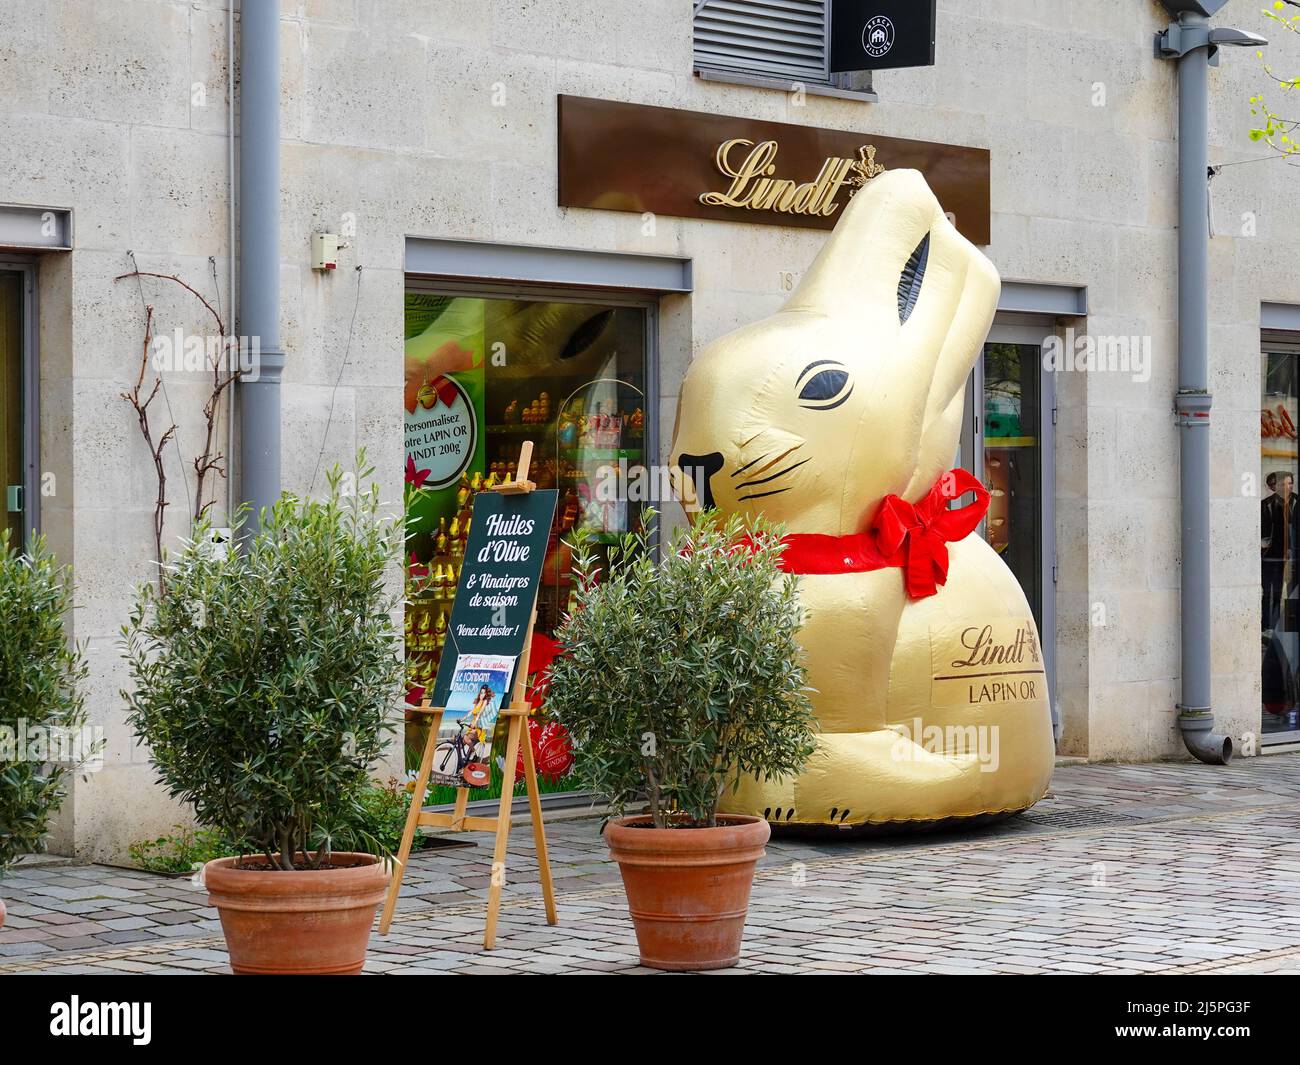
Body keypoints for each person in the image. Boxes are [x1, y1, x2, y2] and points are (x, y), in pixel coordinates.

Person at [1262, 471, 1297, 631]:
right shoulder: (1267, 504)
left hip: (1294, 556)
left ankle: (1290, 628)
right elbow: (1263, 532)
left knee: (1292, 593)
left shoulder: (1296, 502)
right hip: (1272, 557)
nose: (1287, 487)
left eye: (1290, 483)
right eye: (1283, 484)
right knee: (1271, 594)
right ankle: (1269, 627)